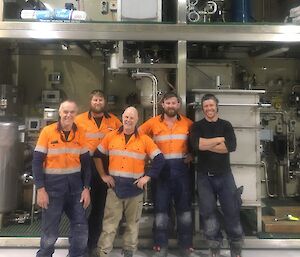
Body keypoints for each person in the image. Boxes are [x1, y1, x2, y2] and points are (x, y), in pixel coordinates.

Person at [94, 106, 165, 257]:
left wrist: (147, 177)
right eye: (126, 117)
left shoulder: (145, 140)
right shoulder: (110, 136)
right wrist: (103, 175)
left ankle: (129, 252)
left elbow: (159, 159)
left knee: (132, 226)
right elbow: (97, 155)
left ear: (137, 120)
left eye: (132, 117)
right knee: (109, 225)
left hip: (135, 190)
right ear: (122, 118)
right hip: (115, 189)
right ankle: (103, 253)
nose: (128, 120)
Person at [139, 91, 197, 257]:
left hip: (182, 172)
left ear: (179, 105)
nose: (171, 106)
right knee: (161, 210)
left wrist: (193, 155)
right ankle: (160, 245)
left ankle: (186, 246)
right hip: (161, 172)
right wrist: (148, 156)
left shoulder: (188, 124)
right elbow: (138, 137)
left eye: (174, 103)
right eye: (168, 103)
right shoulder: (152, 123)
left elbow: (196, 142)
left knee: (184, 210)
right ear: (162, 105)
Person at [32, 100, 91, 257]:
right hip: (52, 190)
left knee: (80, 227)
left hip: (76, 189)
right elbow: (37, 162)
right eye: (65, 112)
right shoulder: (47, 132)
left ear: (76, 114)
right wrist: (40, 189)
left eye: (72, 112)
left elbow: (86, 164)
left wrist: (86, 188)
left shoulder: (81, 133)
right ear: (59, 113)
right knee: (50, 231)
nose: (68, 115)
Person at [189, 94, 244, 257]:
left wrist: (206, 144)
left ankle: (236, 246)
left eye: (211, 105)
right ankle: (214, 246)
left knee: (232, 210)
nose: (209, 108)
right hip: (204, 176)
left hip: (225, 175)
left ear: (216, 106)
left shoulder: (226, 125)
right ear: (203, 108)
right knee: (208, 212)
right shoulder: (197, 126)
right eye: (206, 106)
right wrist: (219, 140)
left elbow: (230, 147)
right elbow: (196, 145)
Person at [75, 89, 121, 256]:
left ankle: (92, 243)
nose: (97, 103)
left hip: (105, 168)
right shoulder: (78, 120)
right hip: (83, 166)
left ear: (105, 102)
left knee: (100, 209)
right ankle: (79, 245)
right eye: (95, 100)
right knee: (80, 208)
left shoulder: (115, 122)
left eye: (100, 100)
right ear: (90, 101)